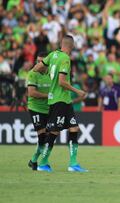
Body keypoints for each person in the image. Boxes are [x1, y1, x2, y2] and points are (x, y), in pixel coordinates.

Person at [33, 35, 87, 172]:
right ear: (72, 46)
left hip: (65, 100)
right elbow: (62, 82)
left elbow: (36, 68)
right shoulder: (65, 59)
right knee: (54, 131)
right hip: (59, 100)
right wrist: (78, 91)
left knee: (74, 128)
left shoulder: (53, 55)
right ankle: (43, 163)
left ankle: (73, 163)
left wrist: (48, 72)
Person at [27, 52, 51, 170]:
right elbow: (31, 93)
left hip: (49, 109)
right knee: (42, 135)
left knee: (48, 137)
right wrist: (49, 96)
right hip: (35, 108)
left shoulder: (52, 74)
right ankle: (41, 162)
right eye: (37, 61)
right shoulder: (32, 73)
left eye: (41, 62)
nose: (38, 64)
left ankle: (33, 160)